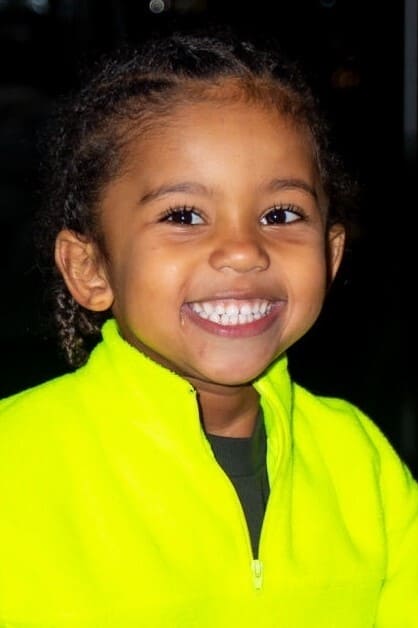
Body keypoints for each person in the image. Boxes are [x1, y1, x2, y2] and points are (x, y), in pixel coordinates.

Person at [0, 29, 417, 628]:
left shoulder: (360, 460)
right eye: (184, 215)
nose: (243, 250)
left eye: (281, 214)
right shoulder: (16, 462)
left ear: (331, 256)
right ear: (90, 267)